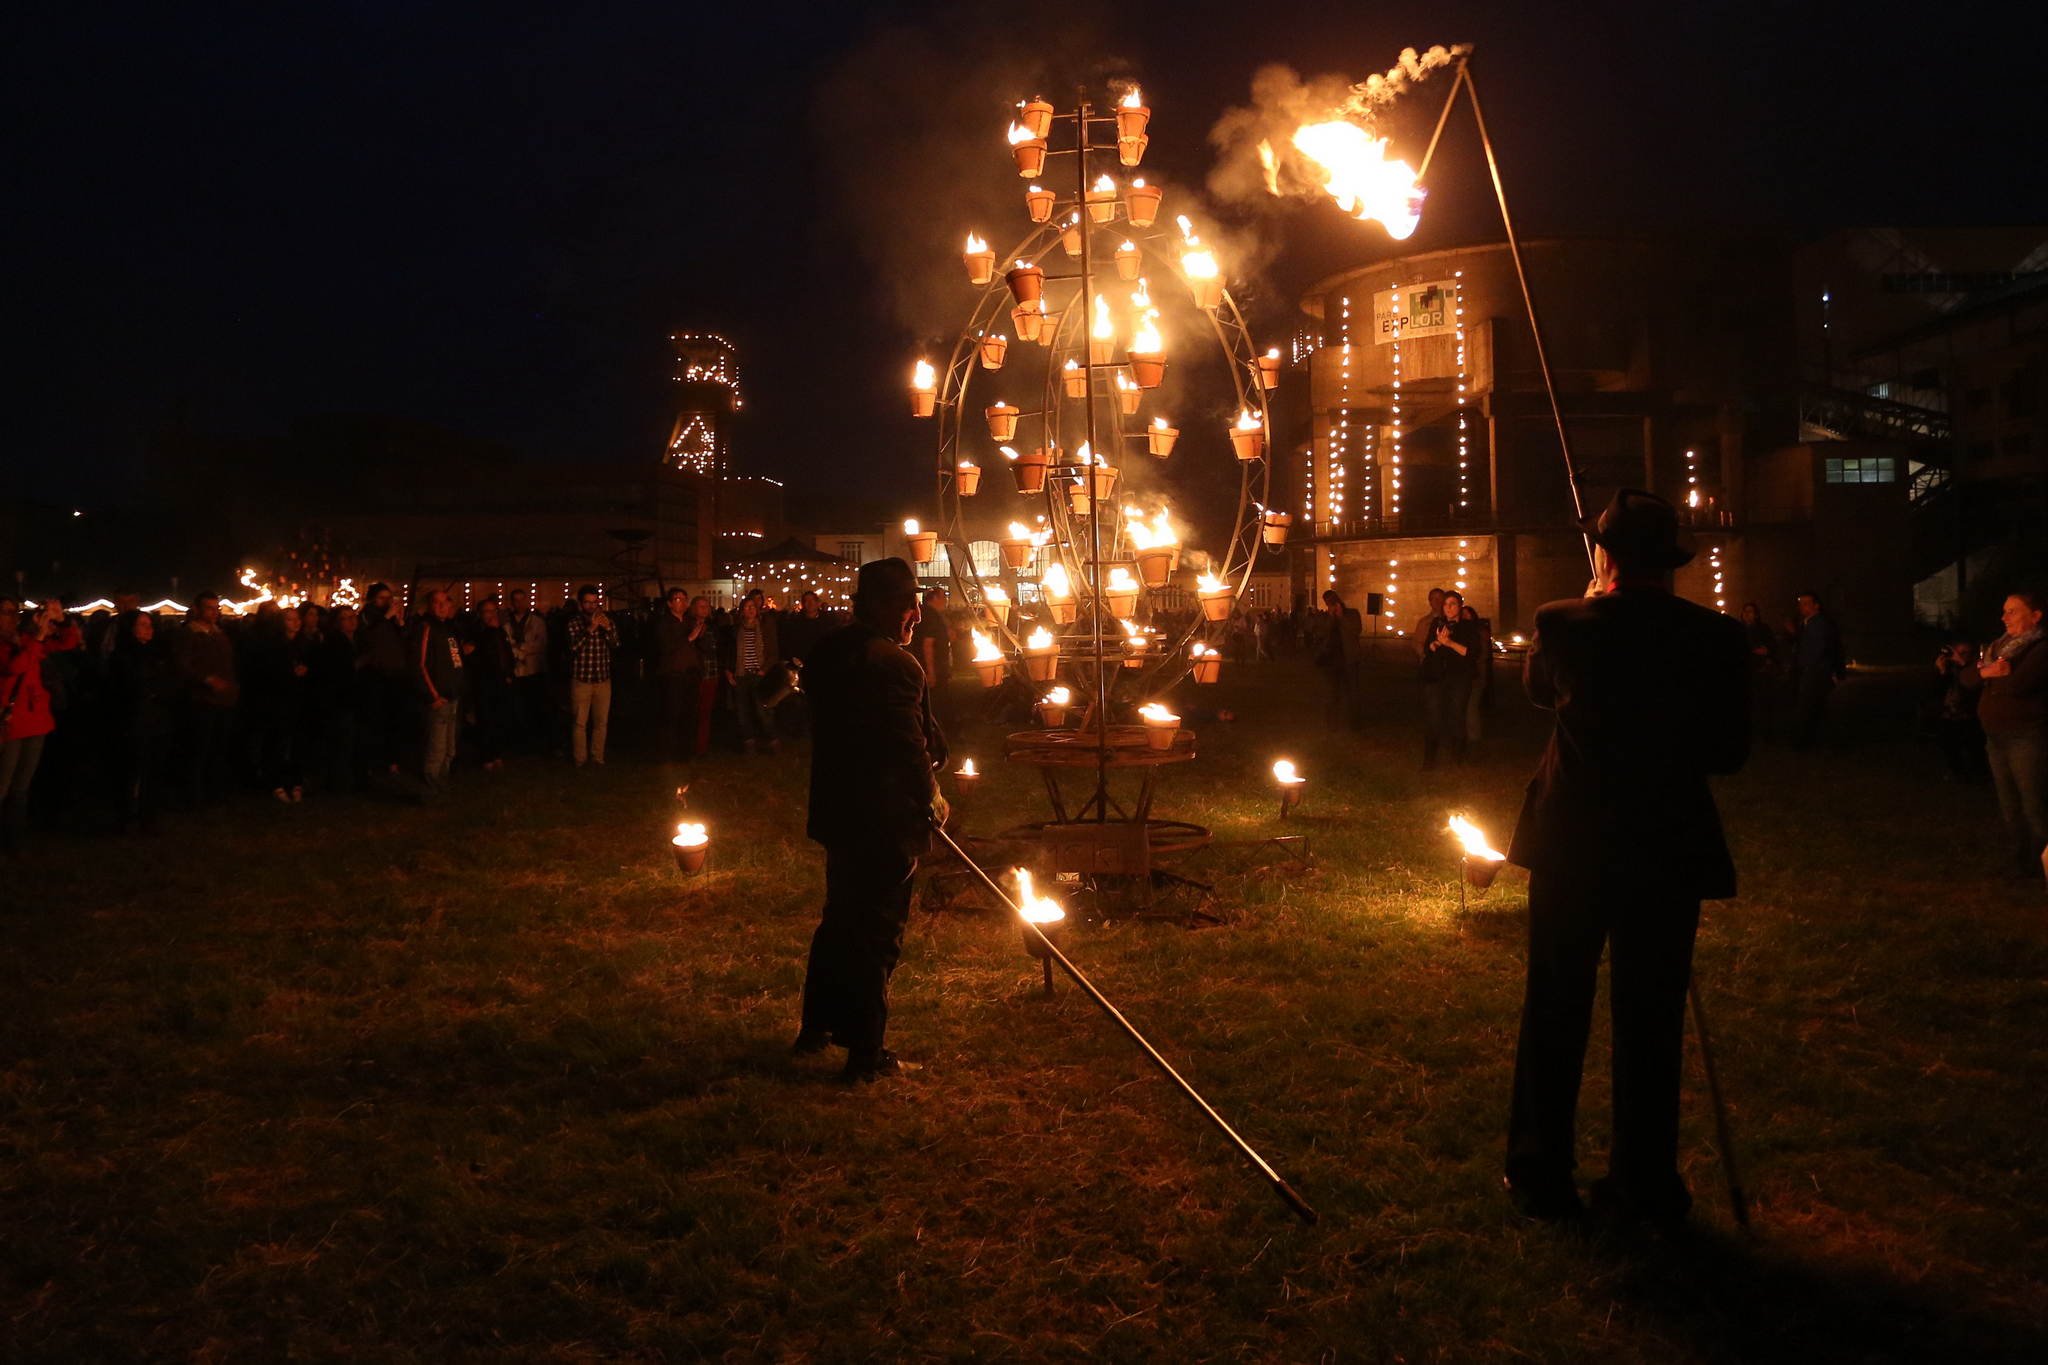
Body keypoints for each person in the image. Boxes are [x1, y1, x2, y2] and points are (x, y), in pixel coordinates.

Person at [1502, 489, 1749, 1226]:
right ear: (1669, 562)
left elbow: (1539, 693)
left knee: (1555, 1003)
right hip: (1666, 844)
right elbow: (1729, 752)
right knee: (1651, 1015)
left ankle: (1540, 1171)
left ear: (1605, 557)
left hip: (1573, 843)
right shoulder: (1716, 636)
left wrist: (1587, 608)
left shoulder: (1564, 622)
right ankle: (1644, 1181)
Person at [795, 559, 948, 1084]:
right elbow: (908, 747)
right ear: (883, 606)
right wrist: (932, 796)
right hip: (884, 820)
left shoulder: (828, 650)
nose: (916, 617)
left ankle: (815, 1029)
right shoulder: (895, 665)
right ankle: (866, 1054)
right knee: (877, 933)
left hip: (840, 811)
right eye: (908, 606)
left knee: (840, 919)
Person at [1962, 591, 2048, 884]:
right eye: (2004, 611)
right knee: (2010, 805)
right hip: (1996, 737)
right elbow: (1966, 678)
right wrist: (1989, 672)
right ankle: (2021, 864)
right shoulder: (1997, 647)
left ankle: (2043, 863)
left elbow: (2018, 684)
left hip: (2026, 737)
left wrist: (1985, 674)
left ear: (2035, 616)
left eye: (2012, 611)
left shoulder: (2040, 648)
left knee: (2034, 804)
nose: (2004, 617)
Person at [105, 610, 176, 831]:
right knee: (130, 770)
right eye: (142, 624)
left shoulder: (157, 653)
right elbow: (126, 688)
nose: (149, 629)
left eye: (150, 624)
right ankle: (126, 815)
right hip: (133, 721)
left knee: (154, 769)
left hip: (157, 720)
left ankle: (149, 815)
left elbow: (170, 681)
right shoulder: (122, 656)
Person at [0, 600, 57, 855]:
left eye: (15, 612)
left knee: (21, 786)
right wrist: (38, 638)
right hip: (12, 723)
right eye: (6, 613)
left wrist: (57, 620)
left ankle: (14, 840)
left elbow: (65, 643)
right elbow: (15, 667)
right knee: (3, 784)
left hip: (35, 719)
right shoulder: (12, 645)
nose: (13, 618)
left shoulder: (23, 639)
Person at [171, 593, 239, 805]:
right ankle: (193, 793)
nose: (214, 612)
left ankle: (213, 790)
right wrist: (205, 679)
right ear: (198, 609)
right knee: (199, 749)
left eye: (216, 608)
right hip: (201, 700)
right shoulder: (189, 634)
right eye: (209, 608)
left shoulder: (220, 634)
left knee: (218, 748)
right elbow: (182, 665)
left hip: (223, 699)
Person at [410, 589, 465, 791]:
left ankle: (443, 776)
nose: (442, 606)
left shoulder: (449, 628)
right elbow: (419, 664)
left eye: (445, 602)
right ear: (430, 605)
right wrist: (432, 695)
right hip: (439, 696)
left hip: (453, 695)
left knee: (449, 744)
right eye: (437, 602)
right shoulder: (426, 628)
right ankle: (432, 779)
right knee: (437, 743)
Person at [1418, 589, 1479, 767]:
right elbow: (1428, 648)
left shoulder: (1468, 627)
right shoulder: (1437, 624)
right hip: (1437, 676)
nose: (1448, 607)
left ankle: (1458, 757)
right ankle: (1429, 759)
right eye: (1446, 604)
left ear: (1460, 606)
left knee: (1457, 716)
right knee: (1433, 717)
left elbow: (1471, 652)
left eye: (1453, 604)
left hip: (1459, 678)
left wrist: (1450, 643)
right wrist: (1436, 643)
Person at [722, 595, 781, 755]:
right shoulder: (736, 629)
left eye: (752, 607)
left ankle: (773, 739)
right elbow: (729, 651)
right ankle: (749, 742)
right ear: (741, 611)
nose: (750, 610)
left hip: (758, 674)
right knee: (742, 711)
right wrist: (728, 671)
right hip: (740, 674)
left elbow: (772, 652)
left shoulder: (763, 628)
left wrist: (764, 669)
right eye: (746, 607)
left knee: (763, 710)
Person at [652, 588, 705, 764]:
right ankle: (668, 753)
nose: (682, 602)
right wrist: (689, 638)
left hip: (691, 674)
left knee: (690, 714)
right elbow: (666, 646)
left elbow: (700, 646)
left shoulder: (690, 621)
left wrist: (700, 636)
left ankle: (686, 752)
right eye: (677, 599)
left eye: (684, 599)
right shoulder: (664, 623)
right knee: (671, 714)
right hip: (673, 675)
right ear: (669, 603)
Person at [565, 585, 616, 767]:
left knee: (601, 722)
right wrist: (590, 629)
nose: (591, 606)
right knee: (580, 722)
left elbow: (616, 644)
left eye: (594, 602)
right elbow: (573, 648)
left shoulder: (606, 621)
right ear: (581, 603)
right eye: (587, 602)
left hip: (602, 679)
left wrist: (607, 629)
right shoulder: (574, 623)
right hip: (582, 679)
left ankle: (597, 757)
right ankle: (580, 759)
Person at [1787, 591, 1845, 748]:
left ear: (1816, 605)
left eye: (1806, 603)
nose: (1802, 607)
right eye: (1800, 604)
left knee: (1807, 706)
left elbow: (1818, 649)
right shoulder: (1806, 623)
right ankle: (1819, 739)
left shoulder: (1819, 624)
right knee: (1816, 707)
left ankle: (1803, 742)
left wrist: (1809, 667)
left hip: (1815, 671)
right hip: (1812, 671)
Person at [467, 597, 515, 770]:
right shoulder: (477, 632)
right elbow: (475, 655)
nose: (491, 615)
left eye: (493, 611)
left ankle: (497, 752)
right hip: (484, 682)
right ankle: (486, 755)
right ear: (480, 614)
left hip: (500, 681)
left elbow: (506, 654)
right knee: (486, 719)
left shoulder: (499, 631)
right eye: (487, 611)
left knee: (499, 717)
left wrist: (509, 673)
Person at [506, 588, 551, 751]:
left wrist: (520, 650)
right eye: (516, 600)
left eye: (521, 600)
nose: (519, 604)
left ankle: (533, 737)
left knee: (533, 704)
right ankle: (521, 738)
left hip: (533, 670)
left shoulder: (537, 622)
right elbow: (507, 645)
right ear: (512, 602)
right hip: (517, 671)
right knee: (518, 706)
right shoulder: (507, 623)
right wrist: (522, 650)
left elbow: (541, 644)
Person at [1313, 589, 1363, 732]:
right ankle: (1332, 723)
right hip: (1331, 661)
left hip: (1349, 659)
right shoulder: (1325, 617)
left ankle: (1353, 723)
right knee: (1332, 693)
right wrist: (1331, 618)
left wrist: (1342, 617)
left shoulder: (1352, 614)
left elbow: (1356, 630)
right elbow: (1321, 633)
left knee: (1352, 693)